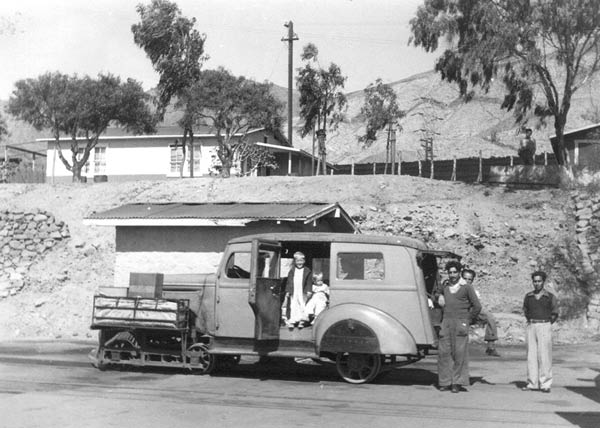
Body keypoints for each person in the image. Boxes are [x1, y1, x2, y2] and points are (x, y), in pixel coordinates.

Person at [435, 260, 482, 393]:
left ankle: (457, 382)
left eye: (455, 272)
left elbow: (477, 306)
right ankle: (444, 382)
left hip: (460, 322)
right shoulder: (445, 286)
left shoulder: (466, 287)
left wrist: (468, 319)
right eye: (450, 272)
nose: (452, 275)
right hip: (446, 322)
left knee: (459, 353)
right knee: (444, 353)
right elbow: (435, 295)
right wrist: (439, 296)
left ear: (459, 272)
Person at [522, 271, 558, 393]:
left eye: (539, 281)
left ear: (544, 282)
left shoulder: (550, 297)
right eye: (535, 281)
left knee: (544, 355)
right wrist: (532, 322)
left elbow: (555, 313)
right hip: (531, 325)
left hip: (544, 325)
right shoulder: (528, 296)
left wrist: (546, 324)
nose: (537, 283)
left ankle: (545, 383)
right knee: (531, 355)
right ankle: (532, 383)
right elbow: (526, 310)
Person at [460, 269, 500, 357]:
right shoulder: (456, 288)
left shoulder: (474, 292)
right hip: (460, 311)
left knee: (490, 317)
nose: (467, 281)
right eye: (465, 278)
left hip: (471, 311)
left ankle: (491, 347)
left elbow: (476, 306)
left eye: (469, 279)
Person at [282, 251, 312, 329]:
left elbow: (309, 282)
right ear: (295, 262)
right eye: (298, 261)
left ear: (304, 261)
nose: (299, 263)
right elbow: (289, 281)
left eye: (301, 261)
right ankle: (292, 321)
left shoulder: (307, 271)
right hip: (294, 290)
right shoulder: (292, 271)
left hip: (302, 291)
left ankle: (302, 321)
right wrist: (288, 291)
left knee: (302, 304)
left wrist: (309, 290)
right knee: (293, 305)